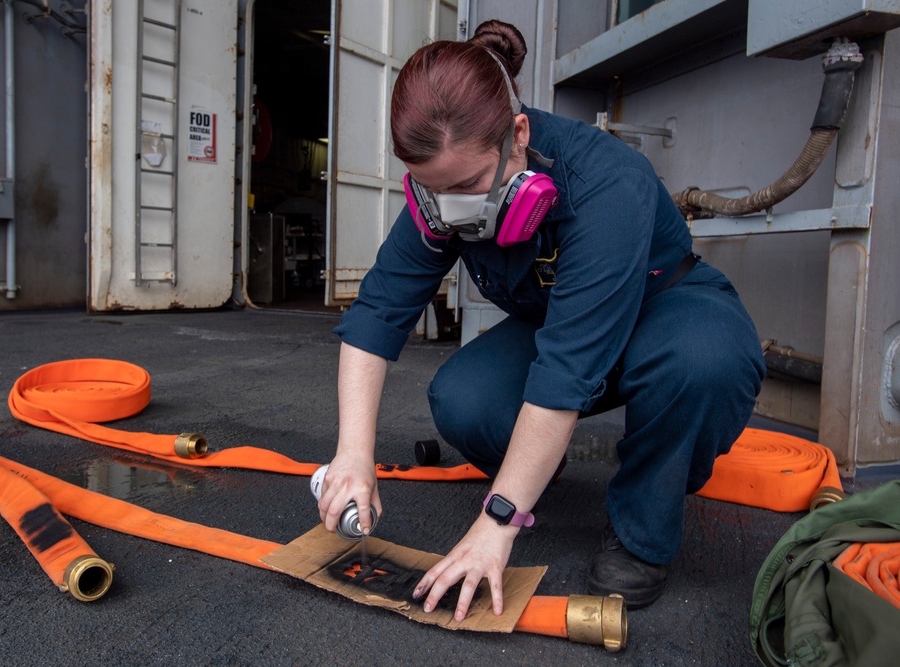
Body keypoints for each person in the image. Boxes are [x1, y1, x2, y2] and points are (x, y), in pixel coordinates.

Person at [316, 19, 765, 619]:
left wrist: (494, 525)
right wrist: (352, 456)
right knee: (463, 398)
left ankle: (642, 533)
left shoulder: (607, 183)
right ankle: (531, 478)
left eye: (472, 187)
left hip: (666, 311)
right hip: (560, 322)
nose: (457, 214)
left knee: (705, 363)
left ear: (519, 134)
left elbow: (565, 374)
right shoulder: (445, 188)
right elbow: (376, 315)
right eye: (433, 192)